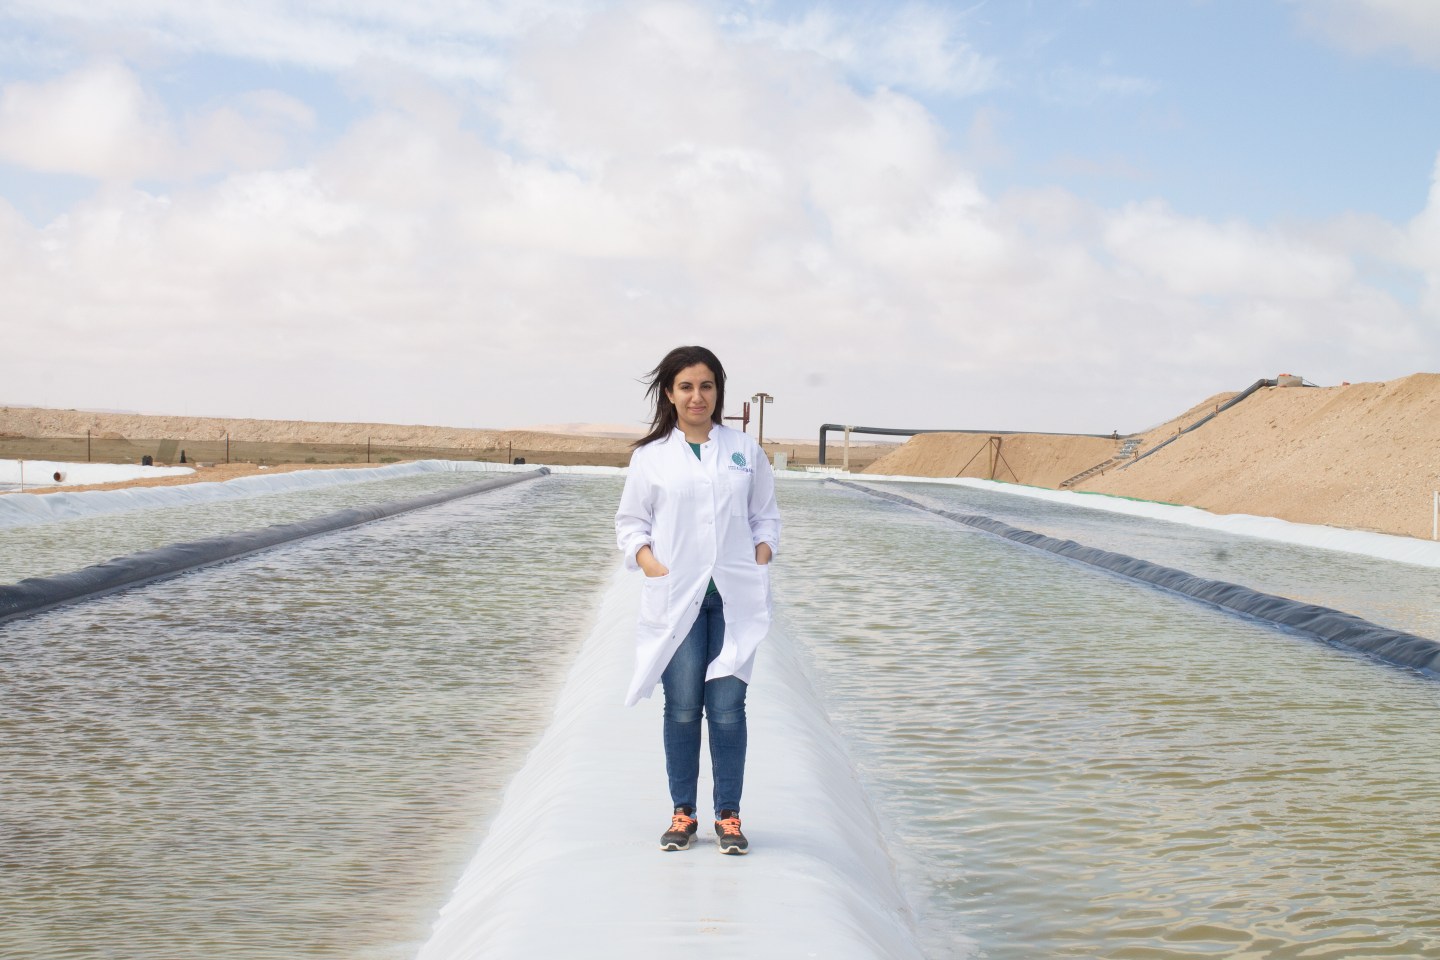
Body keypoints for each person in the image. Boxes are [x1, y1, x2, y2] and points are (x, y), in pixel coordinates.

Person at [615, 345, 781, 855]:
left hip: (733, 598)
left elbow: (765, 515)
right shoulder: (651, 457)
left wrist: (761, 553)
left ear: (718, 392)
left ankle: (728, 816)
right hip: (677, 597)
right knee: (684, 707)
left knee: (728, 708)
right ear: (669, 393)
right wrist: (650, 563)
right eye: (686, 386)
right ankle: (682, 813)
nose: (697, 396)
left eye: (706, 386)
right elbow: (631, 524)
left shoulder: (743, 450)